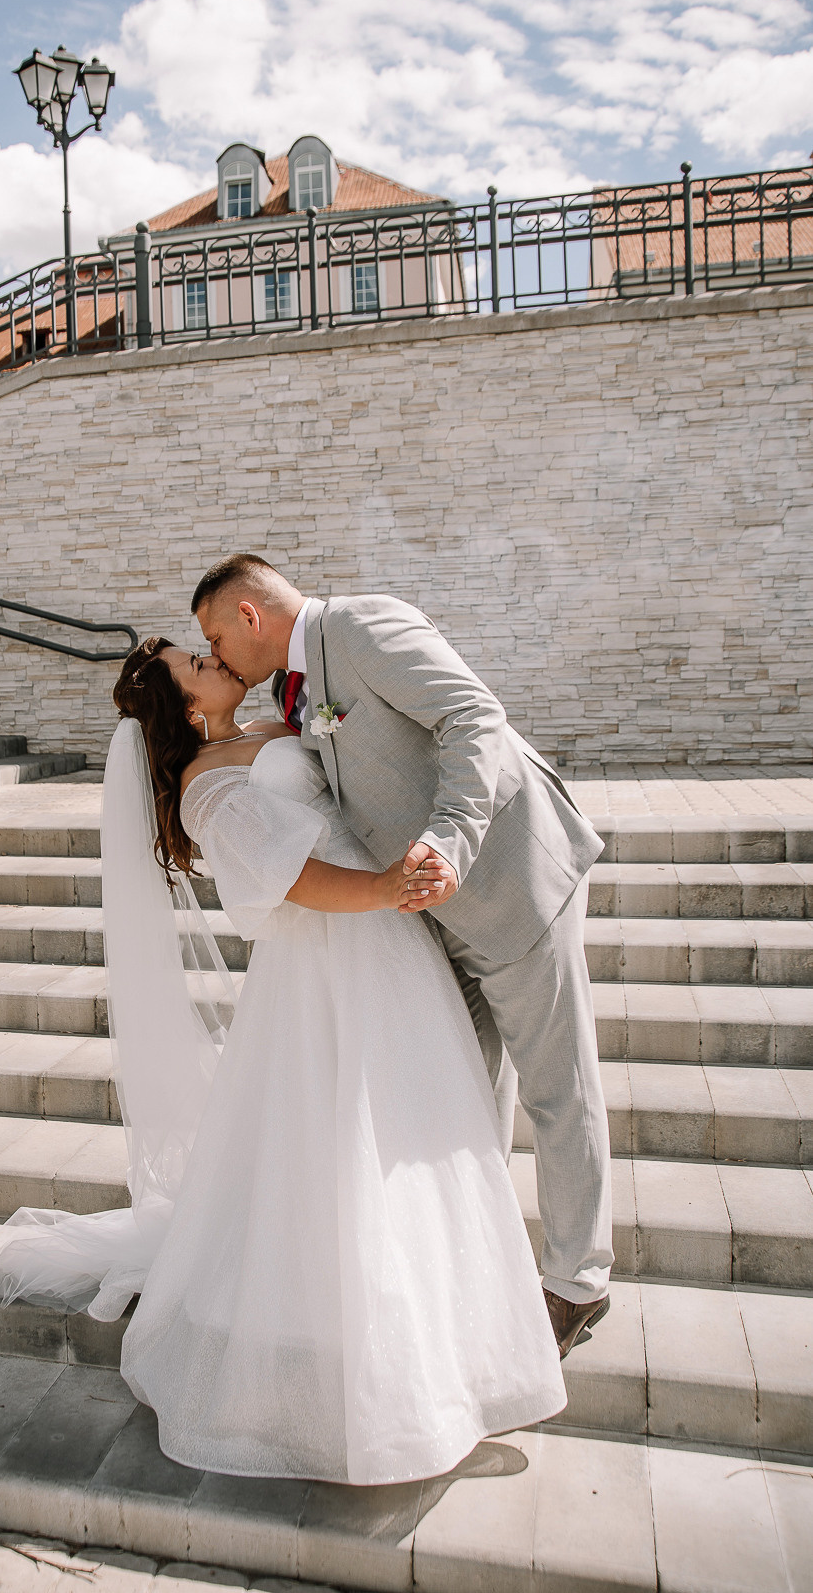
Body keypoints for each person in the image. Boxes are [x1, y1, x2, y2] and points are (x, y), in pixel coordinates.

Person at [0, 634, 566, 1485]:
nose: (214, 658)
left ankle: (450, 1334)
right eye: (196, 662)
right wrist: (383, 891)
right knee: (342, 1136)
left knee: (412, 1124)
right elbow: (288, 877)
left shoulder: (271, 719)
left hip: (392, 947)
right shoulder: (205, 788)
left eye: (207, 648)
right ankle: (359, 1352)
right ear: (187, 707)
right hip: (327, 957)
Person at [191, 554, 612, 1358]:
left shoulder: (360, 624)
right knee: (462, 1084)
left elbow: (473, 719)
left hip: (508, 877)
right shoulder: (294, 690)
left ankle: (575, 1284)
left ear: (249, 616)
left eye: (213, 634)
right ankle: (474, 1268)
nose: (213, 651)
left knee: (558, 1091)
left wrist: (449, 839)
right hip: (433, 911)